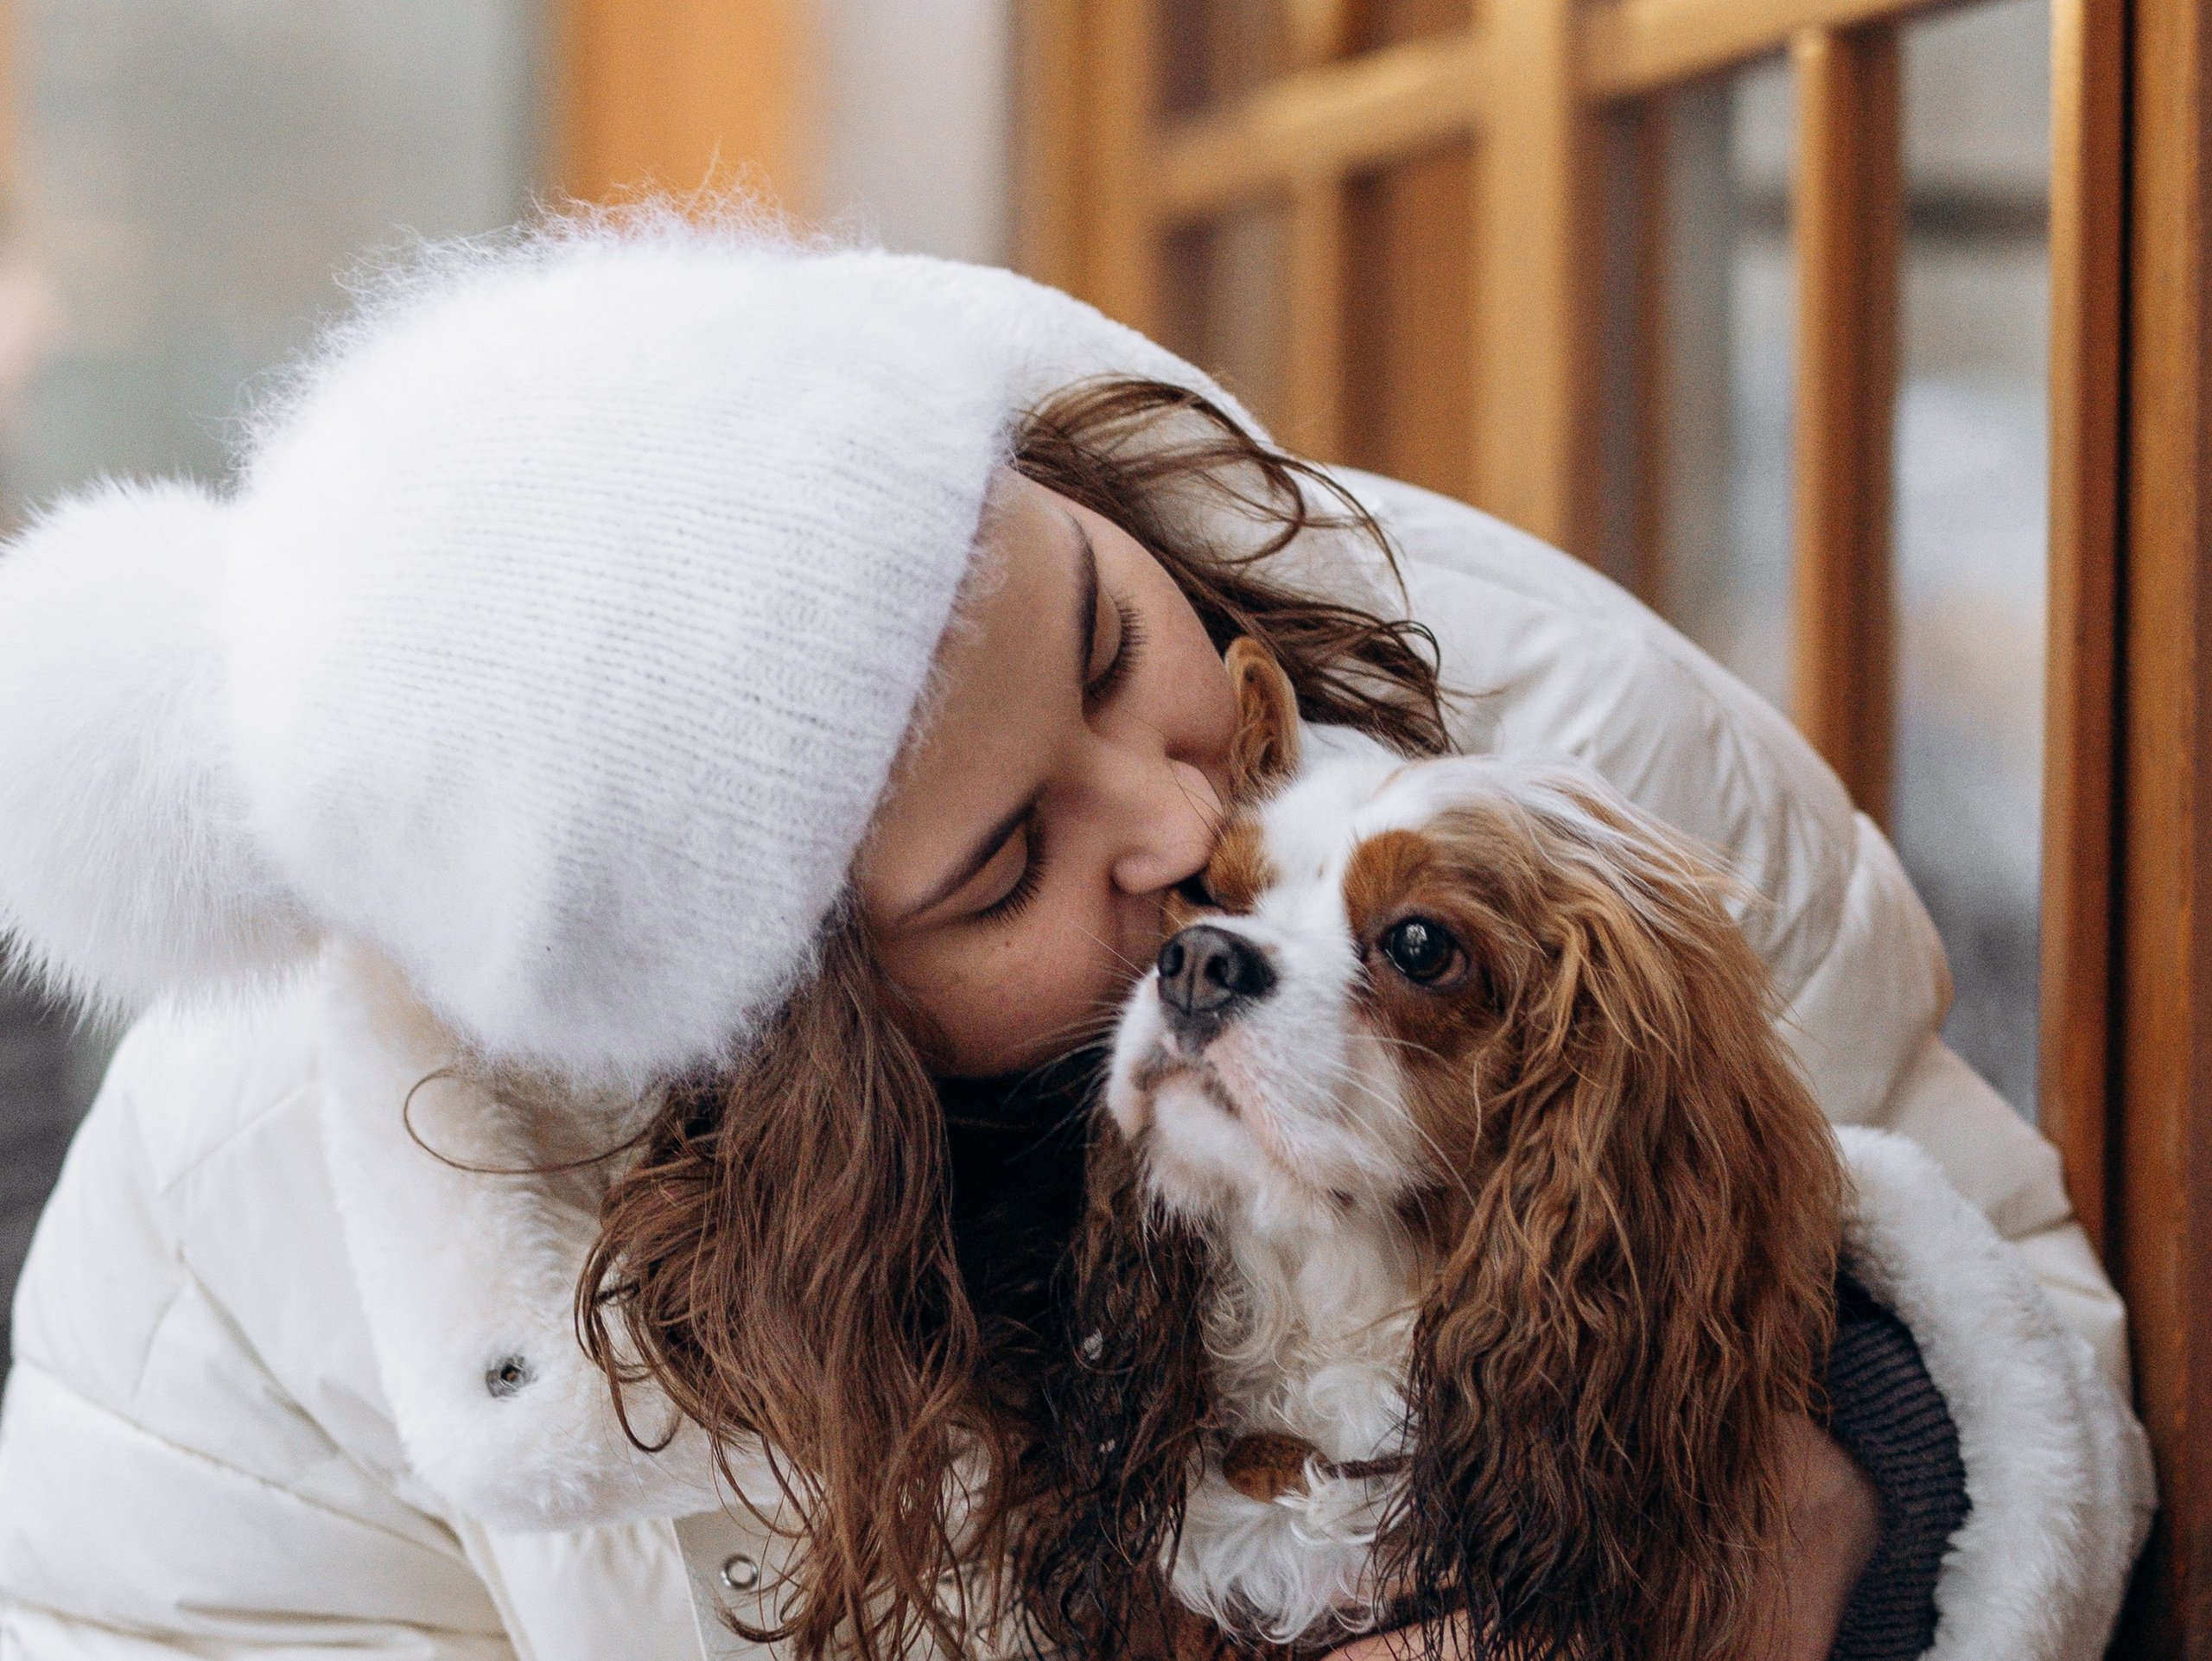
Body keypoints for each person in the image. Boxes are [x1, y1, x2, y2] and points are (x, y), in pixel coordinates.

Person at [0, 211, 2151, 1661]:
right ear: (785, 1055)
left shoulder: (1533, 711)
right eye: (1003, 864)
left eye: (1113, 642)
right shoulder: (256, 1229)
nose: (1187, 829)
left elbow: (2009, 1288)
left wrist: (1838, 1530)